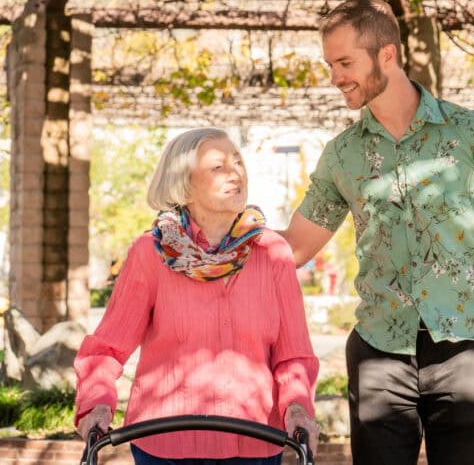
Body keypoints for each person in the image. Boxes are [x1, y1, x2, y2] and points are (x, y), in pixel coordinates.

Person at [282, 0, 474, 465]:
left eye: (345, 62)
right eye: (330, 64)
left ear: (387, 54)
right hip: (379, 350)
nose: (335, 77)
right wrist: (210, 246)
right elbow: (294, 247)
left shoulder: (472, 133)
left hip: (465, 347)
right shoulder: (341, 154)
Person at [74, 128, 320, 465]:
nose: (236, 173)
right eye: (218, 167)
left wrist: (297, 408)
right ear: (184, 182)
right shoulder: (150, 253)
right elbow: (108, 347)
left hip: (255, 442)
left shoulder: (272, 252)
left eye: (238, 163)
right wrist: (97, 404)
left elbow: (293, 355)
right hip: (165, 442)